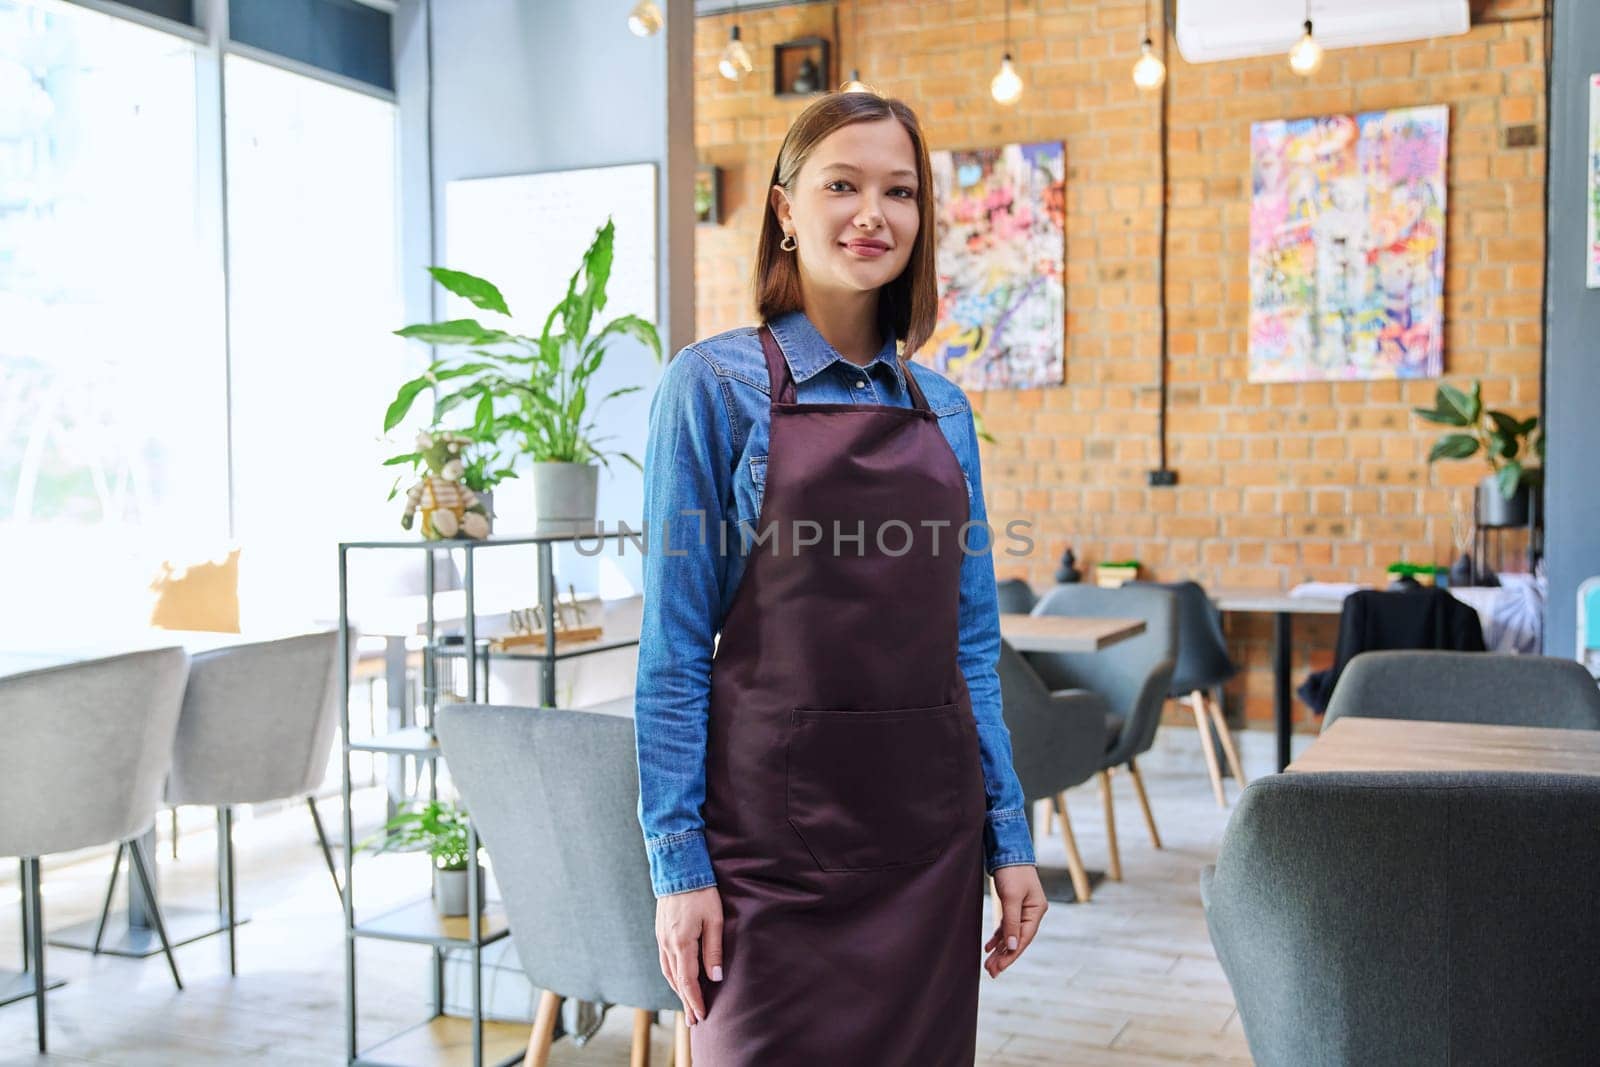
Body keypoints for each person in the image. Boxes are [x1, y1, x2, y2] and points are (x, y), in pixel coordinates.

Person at [634, 91, 1046, 1065]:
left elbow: (971, 647)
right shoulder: (712, 387)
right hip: (764, 856)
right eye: (842, 184)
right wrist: (677, 863)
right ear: (785, 208)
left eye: (899, 191)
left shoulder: (941, 409)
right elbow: (675, 650)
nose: (873, 213)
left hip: (927, 847)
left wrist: (1009, 835)